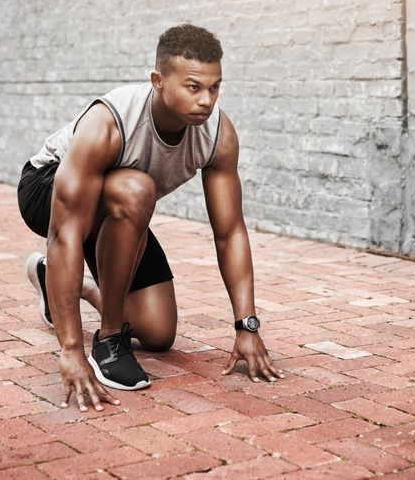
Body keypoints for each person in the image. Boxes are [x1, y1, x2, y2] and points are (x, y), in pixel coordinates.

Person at [17, 24, 283, 412]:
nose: (206, 100)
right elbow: (64, 233)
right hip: (47, 190)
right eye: (193, 87)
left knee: (159, 333)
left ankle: (60, 283)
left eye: (215, 87)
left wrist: (247, 325)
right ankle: (108, 341)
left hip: (123, 205)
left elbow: (229, 232)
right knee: (138, 189)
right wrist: (70, 348)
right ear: (158, 80)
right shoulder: (111, 121)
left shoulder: (217, 135)